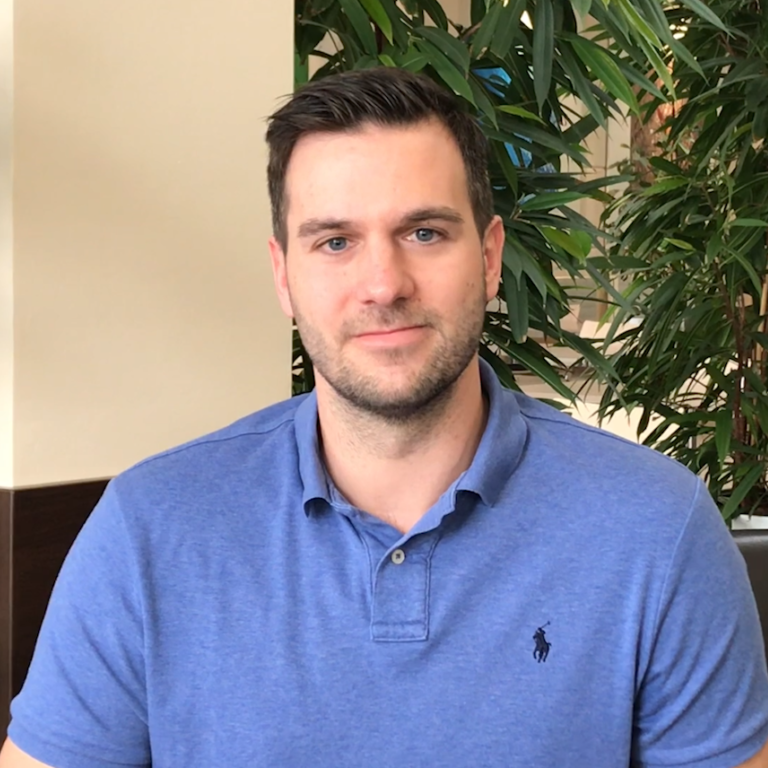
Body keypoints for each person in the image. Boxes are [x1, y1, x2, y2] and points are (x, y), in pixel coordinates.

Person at [1, 67, 767, 768]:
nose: (383, 284)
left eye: (424, 233)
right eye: (335, 241)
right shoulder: (148, 530)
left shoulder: (655, 531)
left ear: (490, 258)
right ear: (284, 276)